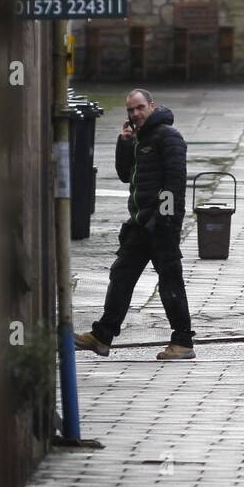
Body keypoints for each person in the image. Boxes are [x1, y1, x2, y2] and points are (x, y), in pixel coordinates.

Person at [75, 89, 196, 360]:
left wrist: (164, 221)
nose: (135, 114)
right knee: (122, 275)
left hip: (161, 224)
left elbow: (174, 183)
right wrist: (124, 142)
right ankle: (102, 336)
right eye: (130, 110)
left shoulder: (168, 137)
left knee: (170, 281)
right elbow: (123, 175)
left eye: (140, 108)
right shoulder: (139, 138)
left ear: (151, 106)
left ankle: (183, 342)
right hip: (140, 224)